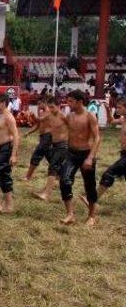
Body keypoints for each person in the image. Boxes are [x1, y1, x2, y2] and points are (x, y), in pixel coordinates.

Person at [58, 90, 101, 226]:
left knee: (89, 185)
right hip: (71, 154)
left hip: (86, 154)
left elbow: (97, 138)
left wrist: (90, 157)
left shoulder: (90, 116)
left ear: (80, 102)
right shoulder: (69, 116)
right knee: (64, 180)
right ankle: (70, 214)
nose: (68, 103)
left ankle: (92, 216)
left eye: (71, 101)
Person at [80, 100, 126, 210]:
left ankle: (91, 199)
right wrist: (107, 109)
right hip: (124, 153)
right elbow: (111, 121)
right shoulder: (123, 119)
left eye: (120, 107)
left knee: (109, 173)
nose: (118, 109)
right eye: (117, 107)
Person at [33, 97, 69, 201]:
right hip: (55, 145)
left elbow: (73, 128)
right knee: (58, 169)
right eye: (49, 107)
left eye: (53, 107)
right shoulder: (49, 115)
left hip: (63, 146)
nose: (50, 109)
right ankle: (48, 190)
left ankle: (46, 194)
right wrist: (32, 115)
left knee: (53, 167)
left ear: (59, 106)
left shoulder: (63, 117)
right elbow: (39, 120)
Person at [21, 98, 52, 181]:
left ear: (44, 103)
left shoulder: (50, 112)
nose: (38, 106)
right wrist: (28, 132)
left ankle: (28, 176)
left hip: (48, 137)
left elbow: (40, 119)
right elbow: (37, 125)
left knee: (36, 155)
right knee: (51, 158)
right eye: (37, 104)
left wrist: (31, 115)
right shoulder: (42, 113)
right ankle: (59, 174)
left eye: (39, 104)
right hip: (43, 137)